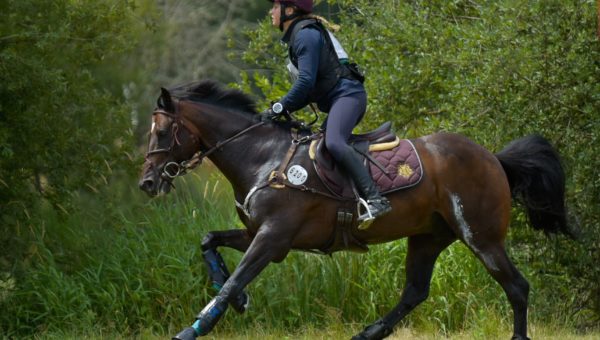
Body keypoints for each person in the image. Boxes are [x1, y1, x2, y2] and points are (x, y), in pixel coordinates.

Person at [263, 0, 391, 226]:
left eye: (275, 6)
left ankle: (376, 199)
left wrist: (280, 106)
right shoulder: (301, 34)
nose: (271, 11)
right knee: (318, 146)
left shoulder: (305, 35)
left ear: (289, 10)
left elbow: (305, 82)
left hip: (349, 96)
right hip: (340, 98)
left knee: (334, 143)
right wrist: (281, 109)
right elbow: (307, 89)